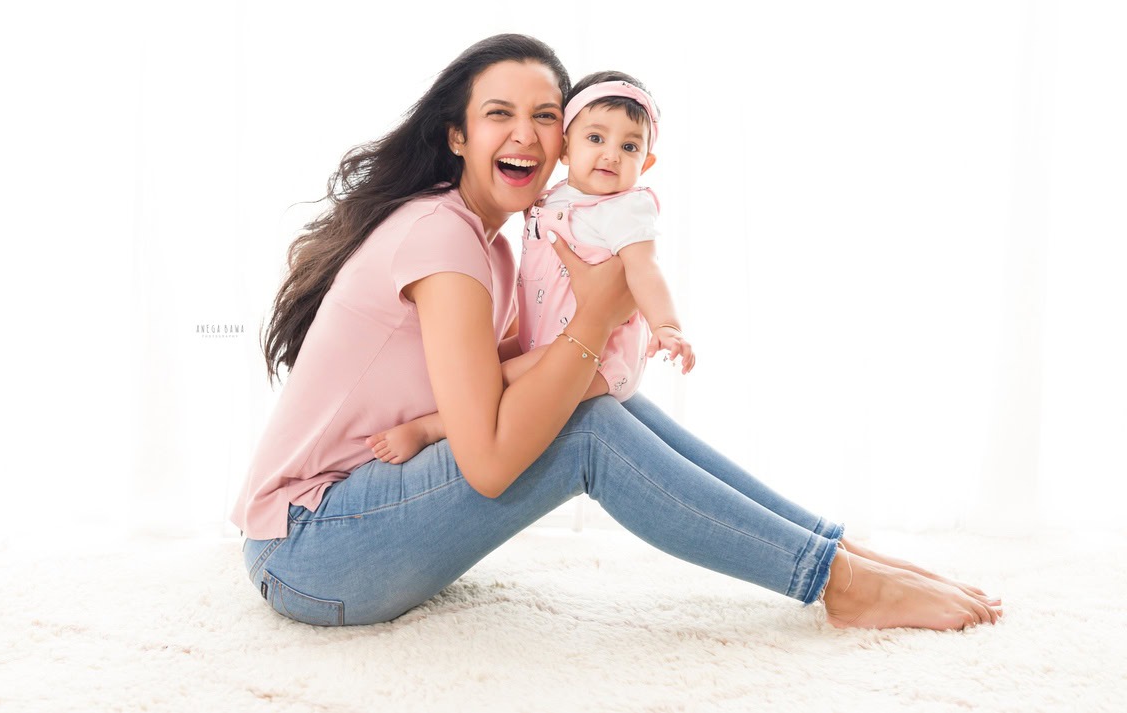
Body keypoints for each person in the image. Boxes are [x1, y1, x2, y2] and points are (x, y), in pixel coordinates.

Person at [233, 33, 1004, 631]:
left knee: (597, 397)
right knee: (588, 424)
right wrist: (600, 317)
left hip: (350, 527)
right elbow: (493, 462)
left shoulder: (496, 243)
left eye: (545, 116)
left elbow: (520, 389)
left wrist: (594, 338)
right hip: (311, 551)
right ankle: (839, 580)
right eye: (499, 113)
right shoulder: (442, 238)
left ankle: (838, 552)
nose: (527, 136)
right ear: (458, 135)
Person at [365, 70, 693, 465]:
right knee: (483, 368)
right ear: (566, 149)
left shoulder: (625, 209)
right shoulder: (553, 198)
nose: (611, 154)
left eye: (629, 147)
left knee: (498, 383)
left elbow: (646, 270)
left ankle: (430, 428)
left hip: (598, 354)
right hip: (544, 338)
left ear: (647, 161)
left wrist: (667, 326)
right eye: (595, 138)